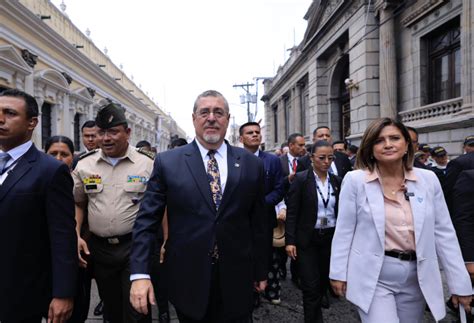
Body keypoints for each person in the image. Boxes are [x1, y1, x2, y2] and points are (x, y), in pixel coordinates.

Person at [129, 90, 267, 323]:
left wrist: (261, 270)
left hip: (237, 277)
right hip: (188, 278)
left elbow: (260, 222)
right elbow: (146, 220)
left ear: (227, 119)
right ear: (194, 118)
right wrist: (140, 273)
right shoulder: (168, 162)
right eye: (204, 112)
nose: (211, 118)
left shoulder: (251, 164)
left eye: (218, 112)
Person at [329, 117, 472, 322]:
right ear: (370, 149)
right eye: (379, 140)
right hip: (374, 277)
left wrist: (460, 284)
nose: (387, 144)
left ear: (407, 144)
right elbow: (344, 231)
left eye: (394, 138)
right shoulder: (355, 181)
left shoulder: (428, 180)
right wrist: (338, 272)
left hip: (417, 277)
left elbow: (444, 234)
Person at [0, 89, 78, 323]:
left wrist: (63, 293)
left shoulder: (50, 171)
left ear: (32, 122)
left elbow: (62, 236)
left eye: (10, 113)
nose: (0, 119)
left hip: (21, 292)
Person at [72, 103, 154, 323]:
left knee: (137, 309)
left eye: (113, 132)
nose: (106, 138)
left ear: (128, 133)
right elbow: (78, 202)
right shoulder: (85, 165)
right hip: (100, 250)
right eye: (102, 132)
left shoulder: (147, 164)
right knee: (111, 308)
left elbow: (160, 207)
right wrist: (76, 233)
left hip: (135, 247)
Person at [285, 140, 342, 323]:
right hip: (307, 240)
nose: (326, 162)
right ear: (311, 158)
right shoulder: (301, 179)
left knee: (323, 283)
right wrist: (290, 241)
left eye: (330, 158)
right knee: (310, 287)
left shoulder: (337, 181)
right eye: (322, 158)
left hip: (330, 239)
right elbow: (292, 212)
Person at [239, 121, 285, 305]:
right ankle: (249, 294)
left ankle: (268, 288)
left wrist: (261, 204)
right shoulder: (235, 159)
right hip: (240, 220)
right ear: (241, 138)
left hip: (264, 218)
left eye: (257, 132)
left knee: (266, 256)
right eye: (250, 132)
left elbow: (280, 188)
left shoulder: (272, 160)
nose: (255, 135)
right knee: (244, 257)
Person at [443, 135, 474, 214]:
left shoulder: (457, 162)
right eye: (471, 145)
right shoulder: (458, 162)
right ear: (464, 147)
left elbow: (449, 188)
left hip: (464, 209)